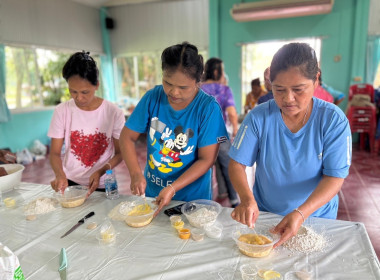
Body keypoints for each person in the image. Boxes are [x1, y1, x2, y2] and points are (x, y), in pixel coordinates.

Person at [228, 42, 351, 248]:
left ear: (316, 80)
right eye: (279, 89)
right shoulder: (259, 117)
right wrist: (247, 199)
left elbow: (335, 176)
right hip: (267, 216)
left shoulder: (332, 120)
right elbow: (237, 164)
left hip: (316, 216)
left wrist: (301, 213)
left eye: (298, 89)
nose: (288, 99)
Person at [120, 42, 228, 215]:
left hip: (193, 199)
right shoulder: (152, 98)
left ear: (197, 81)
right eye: (167, 83)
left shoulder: (208, 108)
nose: (174, 92)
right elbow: (127, 137)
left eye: (183, 87)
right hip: (154, 194)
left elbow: (206, 160)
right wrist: (135, 173)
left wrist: (173, 187)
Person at [48, 51, 125, 197]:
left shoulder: (113, 112)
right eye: (73, 91)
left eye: (85, 92)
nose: (79, 98)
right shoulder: (62, 111)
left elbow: (120, 153)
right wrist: (59, 174)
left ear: (96, 85)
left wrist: (101, 171)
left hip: (102, 182)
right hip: (70, 181)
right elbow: (55, 153)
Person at [201, 57, 239, 207]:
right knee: (229, 167)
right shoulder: (224, 89)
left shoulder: (197, 88)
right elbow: (231, 112)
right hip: (220, 135)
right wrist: (235, 129)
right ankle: (234, 200)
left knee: (204, 169)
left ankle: (205, 202)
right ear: (217, 71)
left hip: (201, 136)